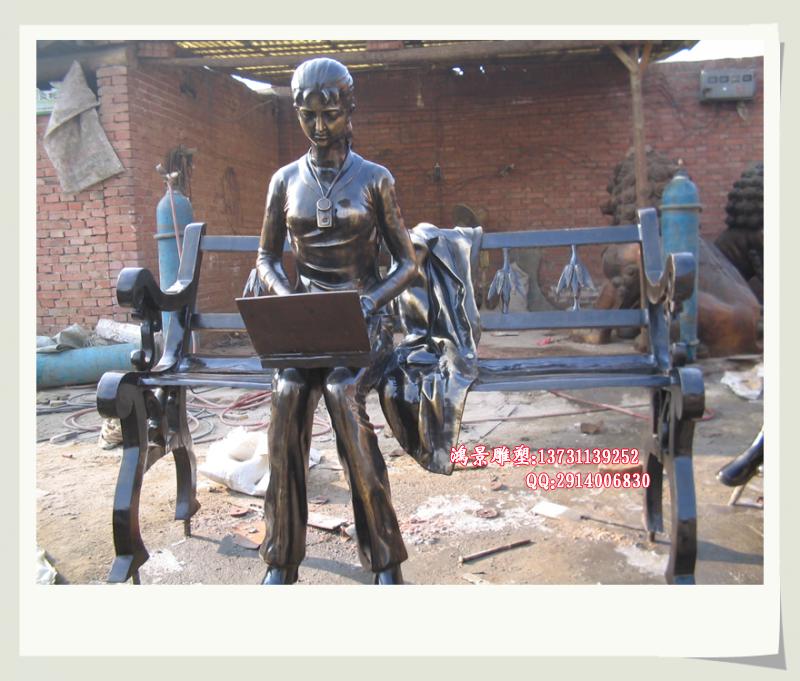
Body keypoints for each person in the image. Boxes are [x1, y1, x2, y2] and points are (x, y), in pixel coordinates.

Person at [255, 57, 418, 585]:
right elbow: (266, 257)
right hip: (306, 322)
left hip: (363, 321)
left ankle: (384, 558)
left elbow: (408, 264)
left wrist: (371, 302)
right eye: (308, 116)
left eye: (330, 114)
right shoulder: (284, 180)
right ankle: (281, 558)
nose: (320, 127)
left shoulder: (375, 179)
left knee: (342, 394)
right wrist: (286, 299)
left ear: (350, 109)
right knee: (286, 395)